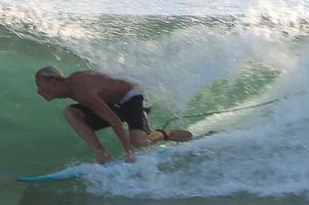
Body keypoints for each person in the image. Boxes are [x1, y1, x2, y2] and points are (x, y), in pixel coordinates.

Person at [34, 66, 193, 164]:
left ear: (53, 82)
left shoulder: (81, 90)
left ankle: (168, 134)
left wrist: (129, 152)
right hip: (115, 103)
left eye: (40, 85)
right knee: (70, 112)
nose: (38, 91)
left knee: (139, 142)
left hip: (134, 98)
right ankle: (102, 154)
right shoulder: (72, 89)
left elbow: (114, 121)